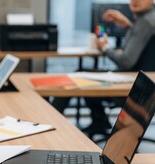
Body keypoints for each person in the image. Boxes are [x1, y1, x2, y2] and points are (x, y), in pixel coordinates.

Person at [53, 0, 155, 136]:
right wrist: (128, 26)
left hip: (129, 85)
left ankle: (50, 125)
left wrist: (105, 47)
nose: (135, 0)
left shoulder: (145, 22)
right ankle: (99, 122)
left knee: (76, 77)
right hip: (139, 82)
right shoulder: (148, 18)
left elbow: (125, 61)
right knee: (82, 75)